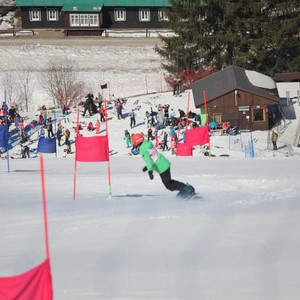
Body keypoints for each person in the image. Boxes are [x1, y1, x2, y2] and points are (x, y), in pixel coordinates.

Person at [131, 133, 195, 199]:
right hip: (163, 163)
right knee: (169, 182)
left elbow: (148, 160)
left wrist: (150, 171)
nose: (133, 145)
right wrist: (148, 167)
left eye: (133, 143)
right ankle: (185, 188)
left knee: (168, 184)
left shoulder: (142, 149)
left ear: (137, 142)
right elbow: (153, 156)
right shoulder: (147, 144)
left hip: (161, 167)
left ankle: (186, 189)